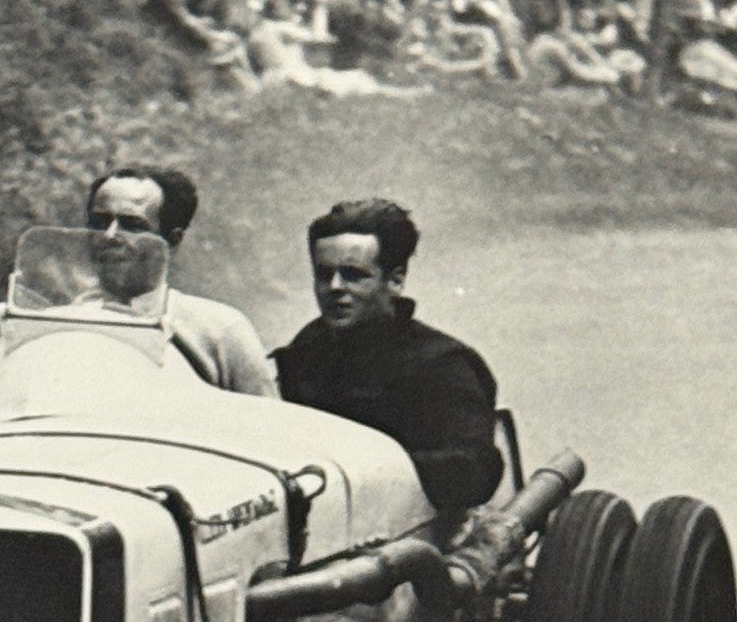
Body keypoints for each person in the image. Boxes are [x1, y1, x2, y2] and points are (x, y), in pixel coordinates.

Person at [273, 199, 503, 510]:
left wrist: (360, 467)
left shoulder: (444, 363)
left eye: (354, 275)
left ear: (395, 280)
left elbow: (475, 474)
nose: (335, 287)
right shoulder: (307, 348)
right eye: (324, 274)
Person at [85, 166, 277, 397]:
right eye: (99, 222)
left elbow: (267, 425)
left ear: (172, 240)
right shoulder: (64, 319)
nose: (109, 236)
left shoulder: (220, 331)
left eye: (133, 225)